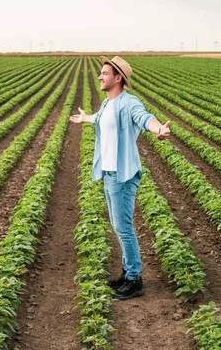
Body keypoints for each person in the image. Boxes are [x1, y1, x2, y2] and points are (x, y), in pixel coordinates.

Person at [70, 56, 171, 300]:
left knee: (123, 228)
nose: (100, 76)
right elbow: (101, 119)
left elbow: (145, 118)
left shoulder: (129, 102)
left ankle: (134, 280)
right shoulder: (107, 105)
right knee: (119, 226)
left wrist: (159, 129)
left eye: (104, 73)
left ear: (118, 78)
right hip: (109, 173)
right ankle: (127, 274)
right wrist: (86, 118)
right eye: (100, 73)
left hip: (123, 175)